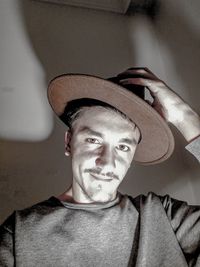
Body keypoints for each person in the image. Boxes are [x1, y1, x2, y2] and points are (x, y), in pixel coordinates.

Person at [0, 68, 200, 266]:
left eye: (122, 147)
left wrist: (183, 115)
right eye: (94, 140)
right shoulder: (19, 233)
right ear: (69, 142)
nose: (107, 162)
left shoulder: (164, 217)